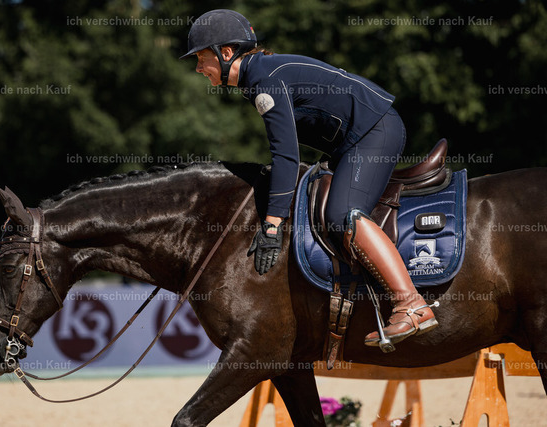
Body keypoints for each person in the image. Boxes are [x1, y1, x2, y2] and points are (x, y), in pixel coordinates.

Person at [180, 9, 437, 346]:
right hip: (359, 137)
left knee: (343, 214)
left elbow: (286, 155)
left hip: (374, 131)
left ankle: (411, 304)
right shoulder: (259, 75)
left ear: (226, 53)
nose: (199, 68)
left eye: (202, 58)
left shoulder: (263, 81)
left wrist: (272, 224)